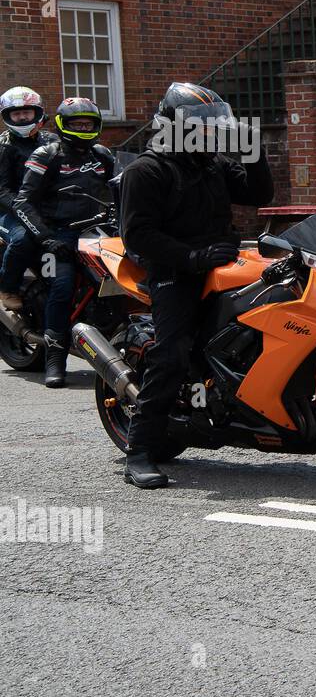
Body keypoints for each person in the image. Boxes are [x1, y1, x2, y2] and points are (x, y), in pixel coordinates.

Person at [118, 83, 275, 489]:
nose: (209, 133)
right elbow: (138, 236)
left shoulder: (213, 165)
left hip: (223, 262)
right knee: (171, 353)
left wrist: (254, 150)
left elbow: (259, 193)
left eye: (213, 126)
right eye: (200, 126)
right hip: (174, 270)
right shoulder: (146, 171)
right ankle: (139, 452)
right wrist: (192, 257)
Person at [11, 98, 116, 388]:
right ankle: (55, 359)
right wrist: (46, 237)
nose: (83, 128)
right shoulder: (47, 154)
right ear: (62, 124)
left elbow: (121, 191)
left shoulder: (103, 155)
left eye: (87, 123)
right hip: (59, 233)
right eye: (76, 123)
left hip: (99, 230)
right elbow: (22, 202)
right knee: (62, 286)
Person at [0, 87, 57, 310]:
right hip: (9, 211)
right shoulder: (4, 147)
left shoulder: (51, 140)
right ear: (7, 116)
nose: (23, 117)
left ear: (37, 112)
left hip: (46, 208)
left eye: (27, 112)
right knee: (24, 239)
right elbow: (2, 190)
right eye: (16, 114)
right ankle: (7, 287)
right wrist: (26, 211)